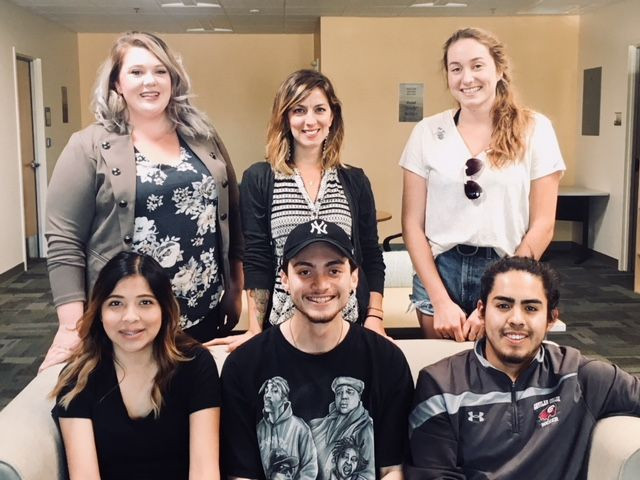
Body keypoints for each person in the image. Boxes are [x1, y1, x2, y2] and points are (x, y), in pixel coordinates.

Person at [41, 31, 243, 370]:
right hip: (128, 321)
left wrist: (235, 290)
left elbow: (231, 217)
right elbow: (64, 243)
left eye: (160, 71)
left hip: (201, 311)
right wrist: (69, 326)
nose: (149, 81)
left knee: (195, 407)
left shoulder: (203, 137)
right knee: (135, 411)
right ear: (117, 83)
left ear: (173, 79)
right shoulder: (88, 146)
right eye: (136, 72)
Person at [405, 256, 640, 480]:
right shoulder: (441, 384)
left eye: (531, 308)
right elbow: (434, 474)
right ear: (482, 311)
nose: (516, 319)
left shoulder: (577, 375)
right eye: (504, 305)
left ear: (550, 318)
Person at [400, 27, 565, 342]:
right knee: (442, 378)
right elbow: (411, 224)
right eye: (456, 68)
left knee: (499, 379)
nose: (467, 78)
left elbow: (543, 224)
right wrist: (439, 300)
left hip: (508, 266)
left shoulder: (535, 129)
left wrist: (500, 295)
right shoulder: (426, 132)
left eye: (477, 65)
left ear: (499, 70)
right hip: (439, 272)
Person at [221, 220, 413, 480]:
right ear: (285, 280)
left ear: (354, 278)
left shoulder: (386, 361)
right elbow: (241, 475)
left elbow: (392, 470)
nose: (321, 284)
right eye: (305, 271)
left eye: (334, 270)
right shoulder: (244, 366)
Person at [213, 69, 386, 352]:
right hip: (284, 326)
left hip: (347, 322)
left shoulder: (354, 181)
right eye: (299, 110)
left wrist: (375, 318)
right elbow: (256, 257)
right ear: (285, 118)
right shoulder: (260, 178)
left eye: (319, 109)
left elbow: (370, 254)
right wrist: (255, 329)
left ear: (332, 118)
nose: (310, 120)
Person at [50, 251, 221, 480]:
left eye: (145, 302)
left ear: (164, 309)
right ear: (100, 312)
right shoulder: (78, 379)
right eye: (116, 303)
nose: (130, 317)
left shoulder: (195, 365)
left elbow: (204, 472)